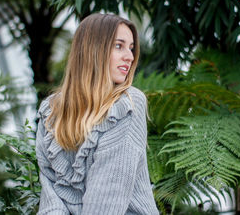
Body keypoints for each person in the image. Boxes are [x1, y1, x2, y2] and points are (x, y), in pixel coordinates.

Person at [35, 13, 159, 214]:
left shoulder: (127, 105)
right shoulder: (50, 112)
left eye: (131, 48)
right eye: (119, 46)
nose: (129, 56)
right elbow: (51, 198)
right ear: (93, 50)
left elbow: (106, 202)